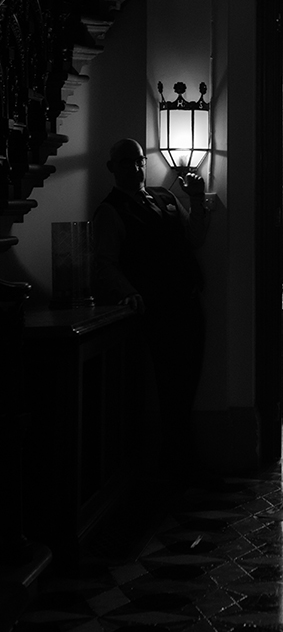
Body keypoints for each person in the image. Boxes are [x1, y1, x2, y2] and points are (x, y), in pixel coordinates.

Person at [91, 138, 208, 477]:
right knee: (167, 389)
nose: (136, 167)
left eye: (139, 160)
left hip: (188, 302)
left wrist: (197, 199)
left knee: (187, 386)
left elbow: (194, 238)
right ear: (113, 168)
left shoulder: (165, 196)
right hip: (157, 311)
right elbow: (104, 262)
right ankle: (173, 468)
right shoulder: (110, 211)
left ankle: (184, 462)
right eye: (126, 161)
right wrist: (129, 292)